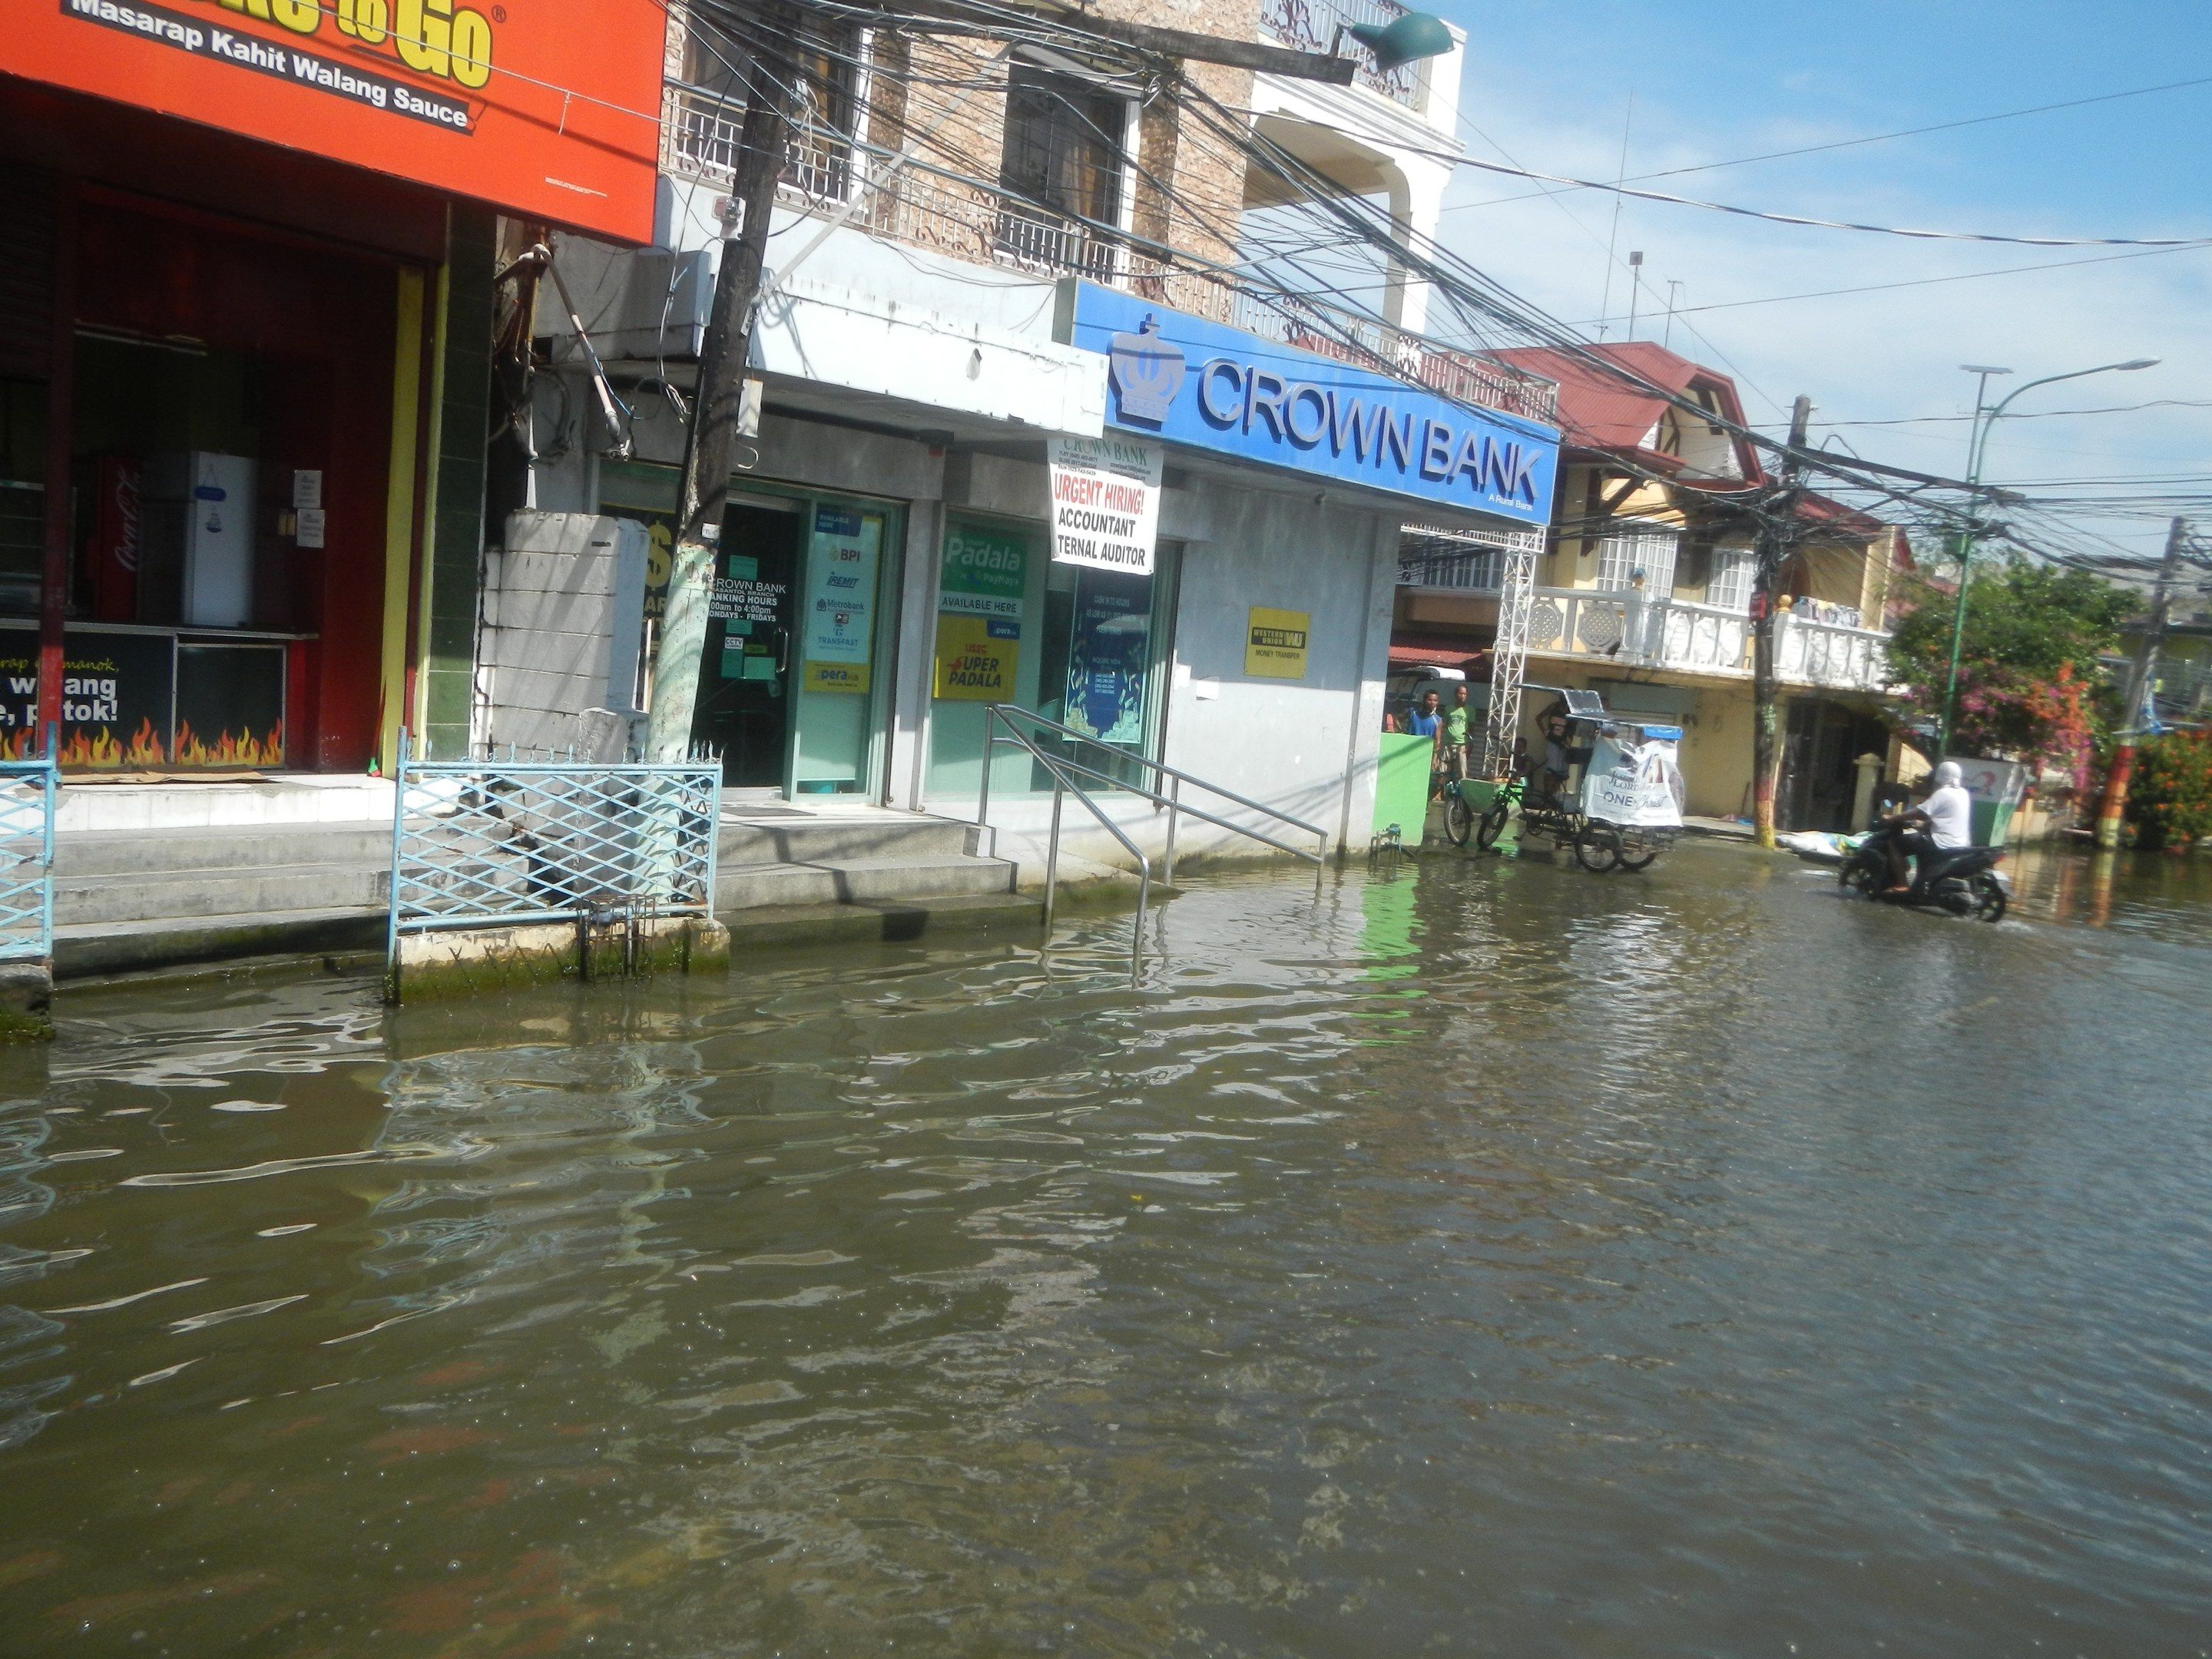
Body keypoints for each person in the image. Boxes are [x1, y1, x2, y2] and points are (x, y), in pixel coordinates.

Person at [1885, 760, 1974, 893]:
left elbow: (1921, 812)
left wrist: (1893, 818)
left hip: (1940, 842)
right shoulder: (1963, 793)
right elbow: (1947, 816)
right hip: (1961, 843)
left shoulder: (1943, 793)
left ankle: (1902, 884)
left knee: (1895, 844)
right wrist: (1924, 825)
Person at [1408, 690, 1444, 793]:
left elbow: (1437, 741)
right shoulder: (1413, 713)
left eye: (1435, 700)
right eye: (1430, 700)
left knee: (1421, 780)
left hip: (1425, 755)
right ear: (1424, 700)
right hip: (1409, 751)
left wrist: (1434, 759)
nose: (1432, 702)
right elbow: (1396, 719)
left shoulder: (1438, 720)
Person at [1442, 682, 1472, 782]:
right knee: (1444, 769)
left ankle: (1462, 794)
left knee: (1462, 770)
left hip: (1462, 744)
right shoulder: (1449, 708)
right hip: (1448, 743)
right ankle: (1442, 792)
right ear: (1456, 694)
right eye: (1460, 693)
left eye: (1465, 694)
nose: (1463, 696)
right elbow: (1444, 725)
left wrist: (1469, 744)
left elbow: (1471, 729)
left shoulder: (1470, 710)